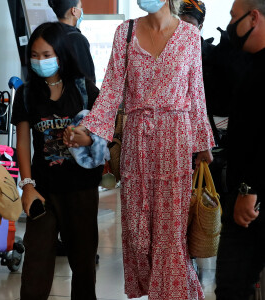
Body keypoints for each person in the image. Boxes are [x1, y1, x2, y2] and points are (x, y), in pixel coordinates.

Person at [64, 0, 215, 299]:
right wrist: (90, 129)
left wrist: (203, 145)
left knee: (171, 236)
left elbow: (196, 93)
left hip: (176, 139)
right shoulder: (126, 32)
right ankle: (179, 291)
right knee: (137, 233)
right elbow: (110, 90)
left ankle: (172, 293)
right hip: (137, 141)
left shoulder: (188, 36)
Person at [11, 22, 103, 300]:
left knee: (83, 263)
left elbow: (103, 136)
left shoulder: (85, 90)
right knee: (36, 262)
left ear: (61, 54)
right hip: (43, 191)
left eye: (46, 54)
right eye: (35, 55)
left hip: (81, 190)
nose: (40, 61)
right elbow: (24, 142)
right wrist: (27, 186)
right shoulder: (27, 94)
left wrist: (85, 139)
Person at [215, 0, 265, 299]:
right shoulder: (249, 63)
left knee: (233, 285)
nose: (231, 25)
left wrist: (250, 189)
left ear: (253, 17)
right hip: (243, 193)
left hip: (253, 197)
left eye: (234, 17)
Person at [48, 0, 96, 83]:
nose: (81, 10)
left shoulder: (47, 33)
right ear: (74, 10)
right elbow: (88, 79)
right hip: (72, 94)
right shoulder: (78, 39)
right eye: (80, 7)